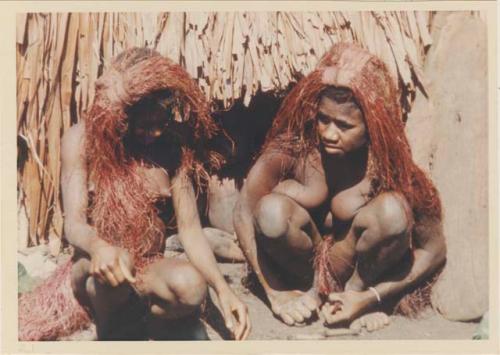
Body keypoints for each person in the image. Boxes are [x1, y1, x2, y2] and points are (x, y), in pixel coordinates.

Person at [233, 43, 446, 331]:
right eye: (324, 119)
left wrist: (370, 297)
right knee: (270, 211)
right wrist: (276, 291)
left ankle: (350, 298)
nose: (330, 134)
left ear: (370, 125)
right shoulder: (295, 149)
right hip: (300, 269)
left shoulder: (387, 167)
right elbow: (244, 211)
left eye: (345, 126)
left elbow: (434, 250)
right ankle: (307, 292)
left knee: (393, 212)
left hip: (356, 273)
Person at [57, 47, 249, 340]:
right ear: (124, 113)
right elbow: (73, 224)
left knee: (191, 286)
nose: (155, 133)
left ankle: (145, 320)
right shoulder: (81, 140)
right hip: (95, 267)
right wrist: (98, 248)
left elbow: (190, 230)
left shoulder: (172, 147)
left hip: (148, 267)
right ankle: (112, 334)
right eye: (145, 125)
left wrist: (223, 291)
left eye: (161, 124)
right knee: (117, 265)